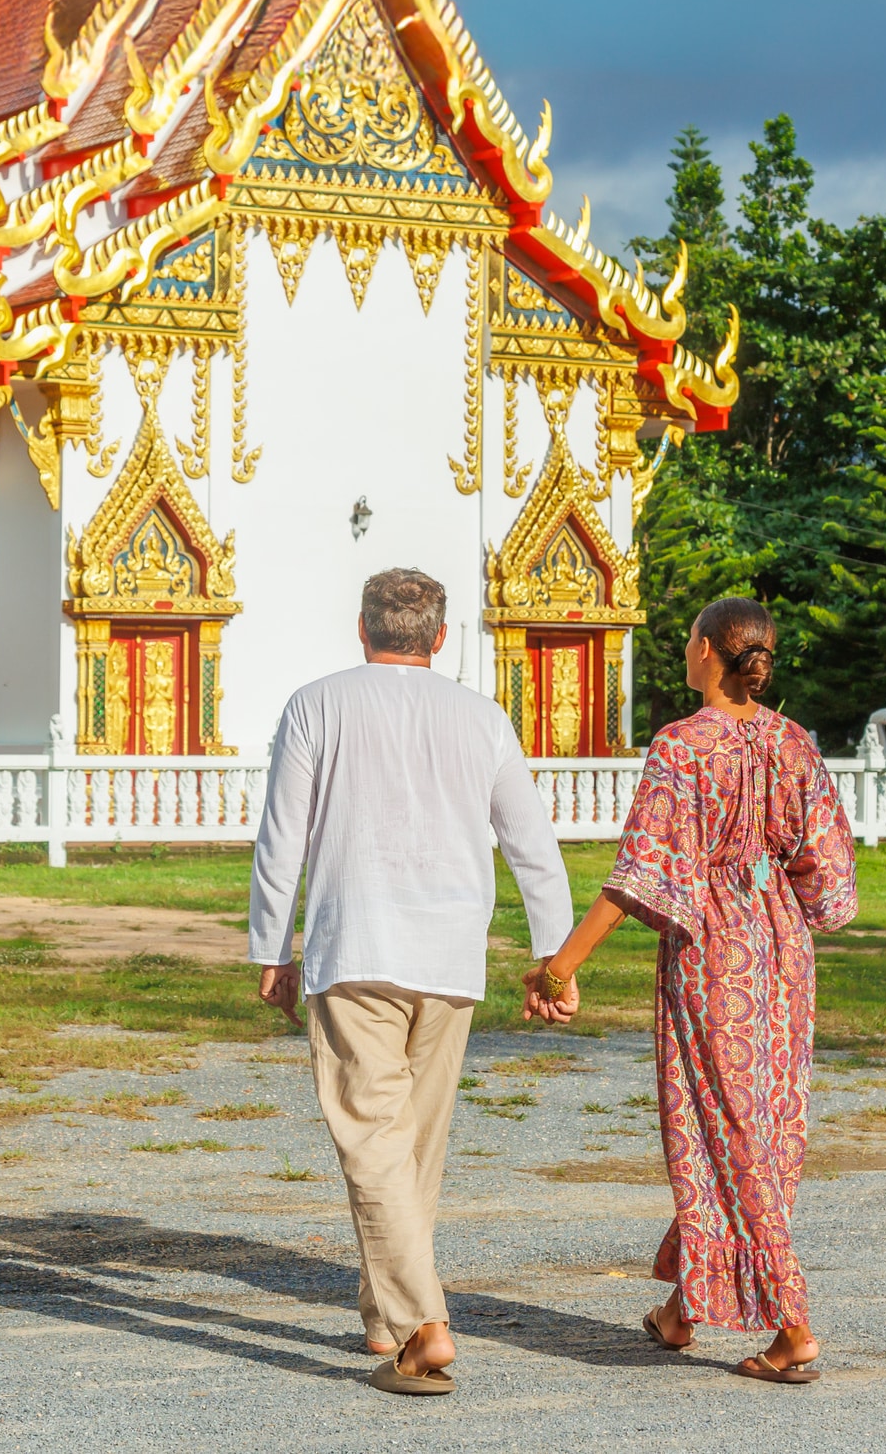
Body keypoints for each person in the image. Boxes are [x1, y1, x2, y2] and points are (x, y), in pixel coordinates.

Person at [248, 568, 574, 1397]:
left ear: (362, 630)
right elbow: (532, 843)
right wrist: (553, 955)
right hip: (450, 953)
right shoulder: (481, 716)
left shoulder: (319, 704)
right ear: (439, 637)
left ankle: (426, 1328)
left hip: (358, 944)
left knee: (374, 1141)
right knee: (410, 1149)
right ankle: (386, 1316)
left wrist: (271, 948)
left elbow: (282, 837)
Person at [521, 597, 857, 1383]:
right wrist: (775, 894)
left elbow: (644, 876)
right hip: (782, 947)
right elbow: (832, 885)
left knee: (728, 1127)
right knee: (761, 1121)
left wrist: (561, 965)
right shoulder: (794, 741)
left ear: (708, 651)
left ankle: (793, 1328)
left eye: (687, 644)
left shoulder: (680, 747)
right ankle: (682, 1310)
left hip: (714, 949)